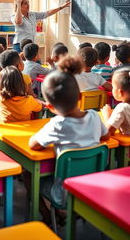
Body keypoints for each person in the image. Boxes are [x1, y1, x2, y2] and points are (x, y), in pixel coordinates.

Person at [28, 55, 109, 221]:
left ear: (49, 107)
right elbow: (106, 135)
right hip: (91, 189)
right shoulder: (94, 116)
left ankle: (48, 216)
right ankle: (64, 214)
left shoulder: (57, 124)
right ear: (80, 96)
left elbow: (33, 145)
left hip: (64, 193)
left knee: (28, 175)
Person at [101, 67, 130, 136]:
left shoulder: (122, 108)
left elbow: (107, 133)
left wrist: (107, 115)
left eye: (113, 87)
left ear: (120, 92)